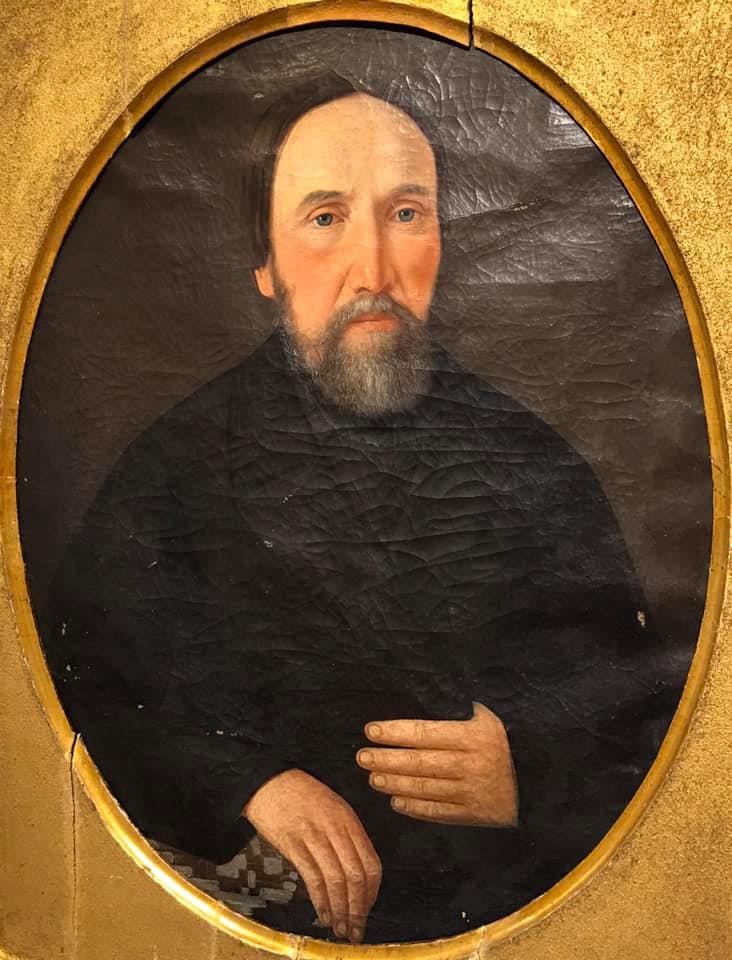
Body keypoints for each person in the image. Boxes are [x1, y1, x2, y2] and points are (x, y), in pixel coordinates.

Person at [41, 75, 672, 944]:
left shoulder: (537, 463)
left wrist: (529, 767)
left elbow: (646, 711)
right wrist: (246, 783)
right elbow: (77, 693)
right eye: (325, 218)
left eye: (406, 214)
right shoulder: (172, 467)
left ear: (442, 239)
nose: (372, 271)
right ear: (264, 264)